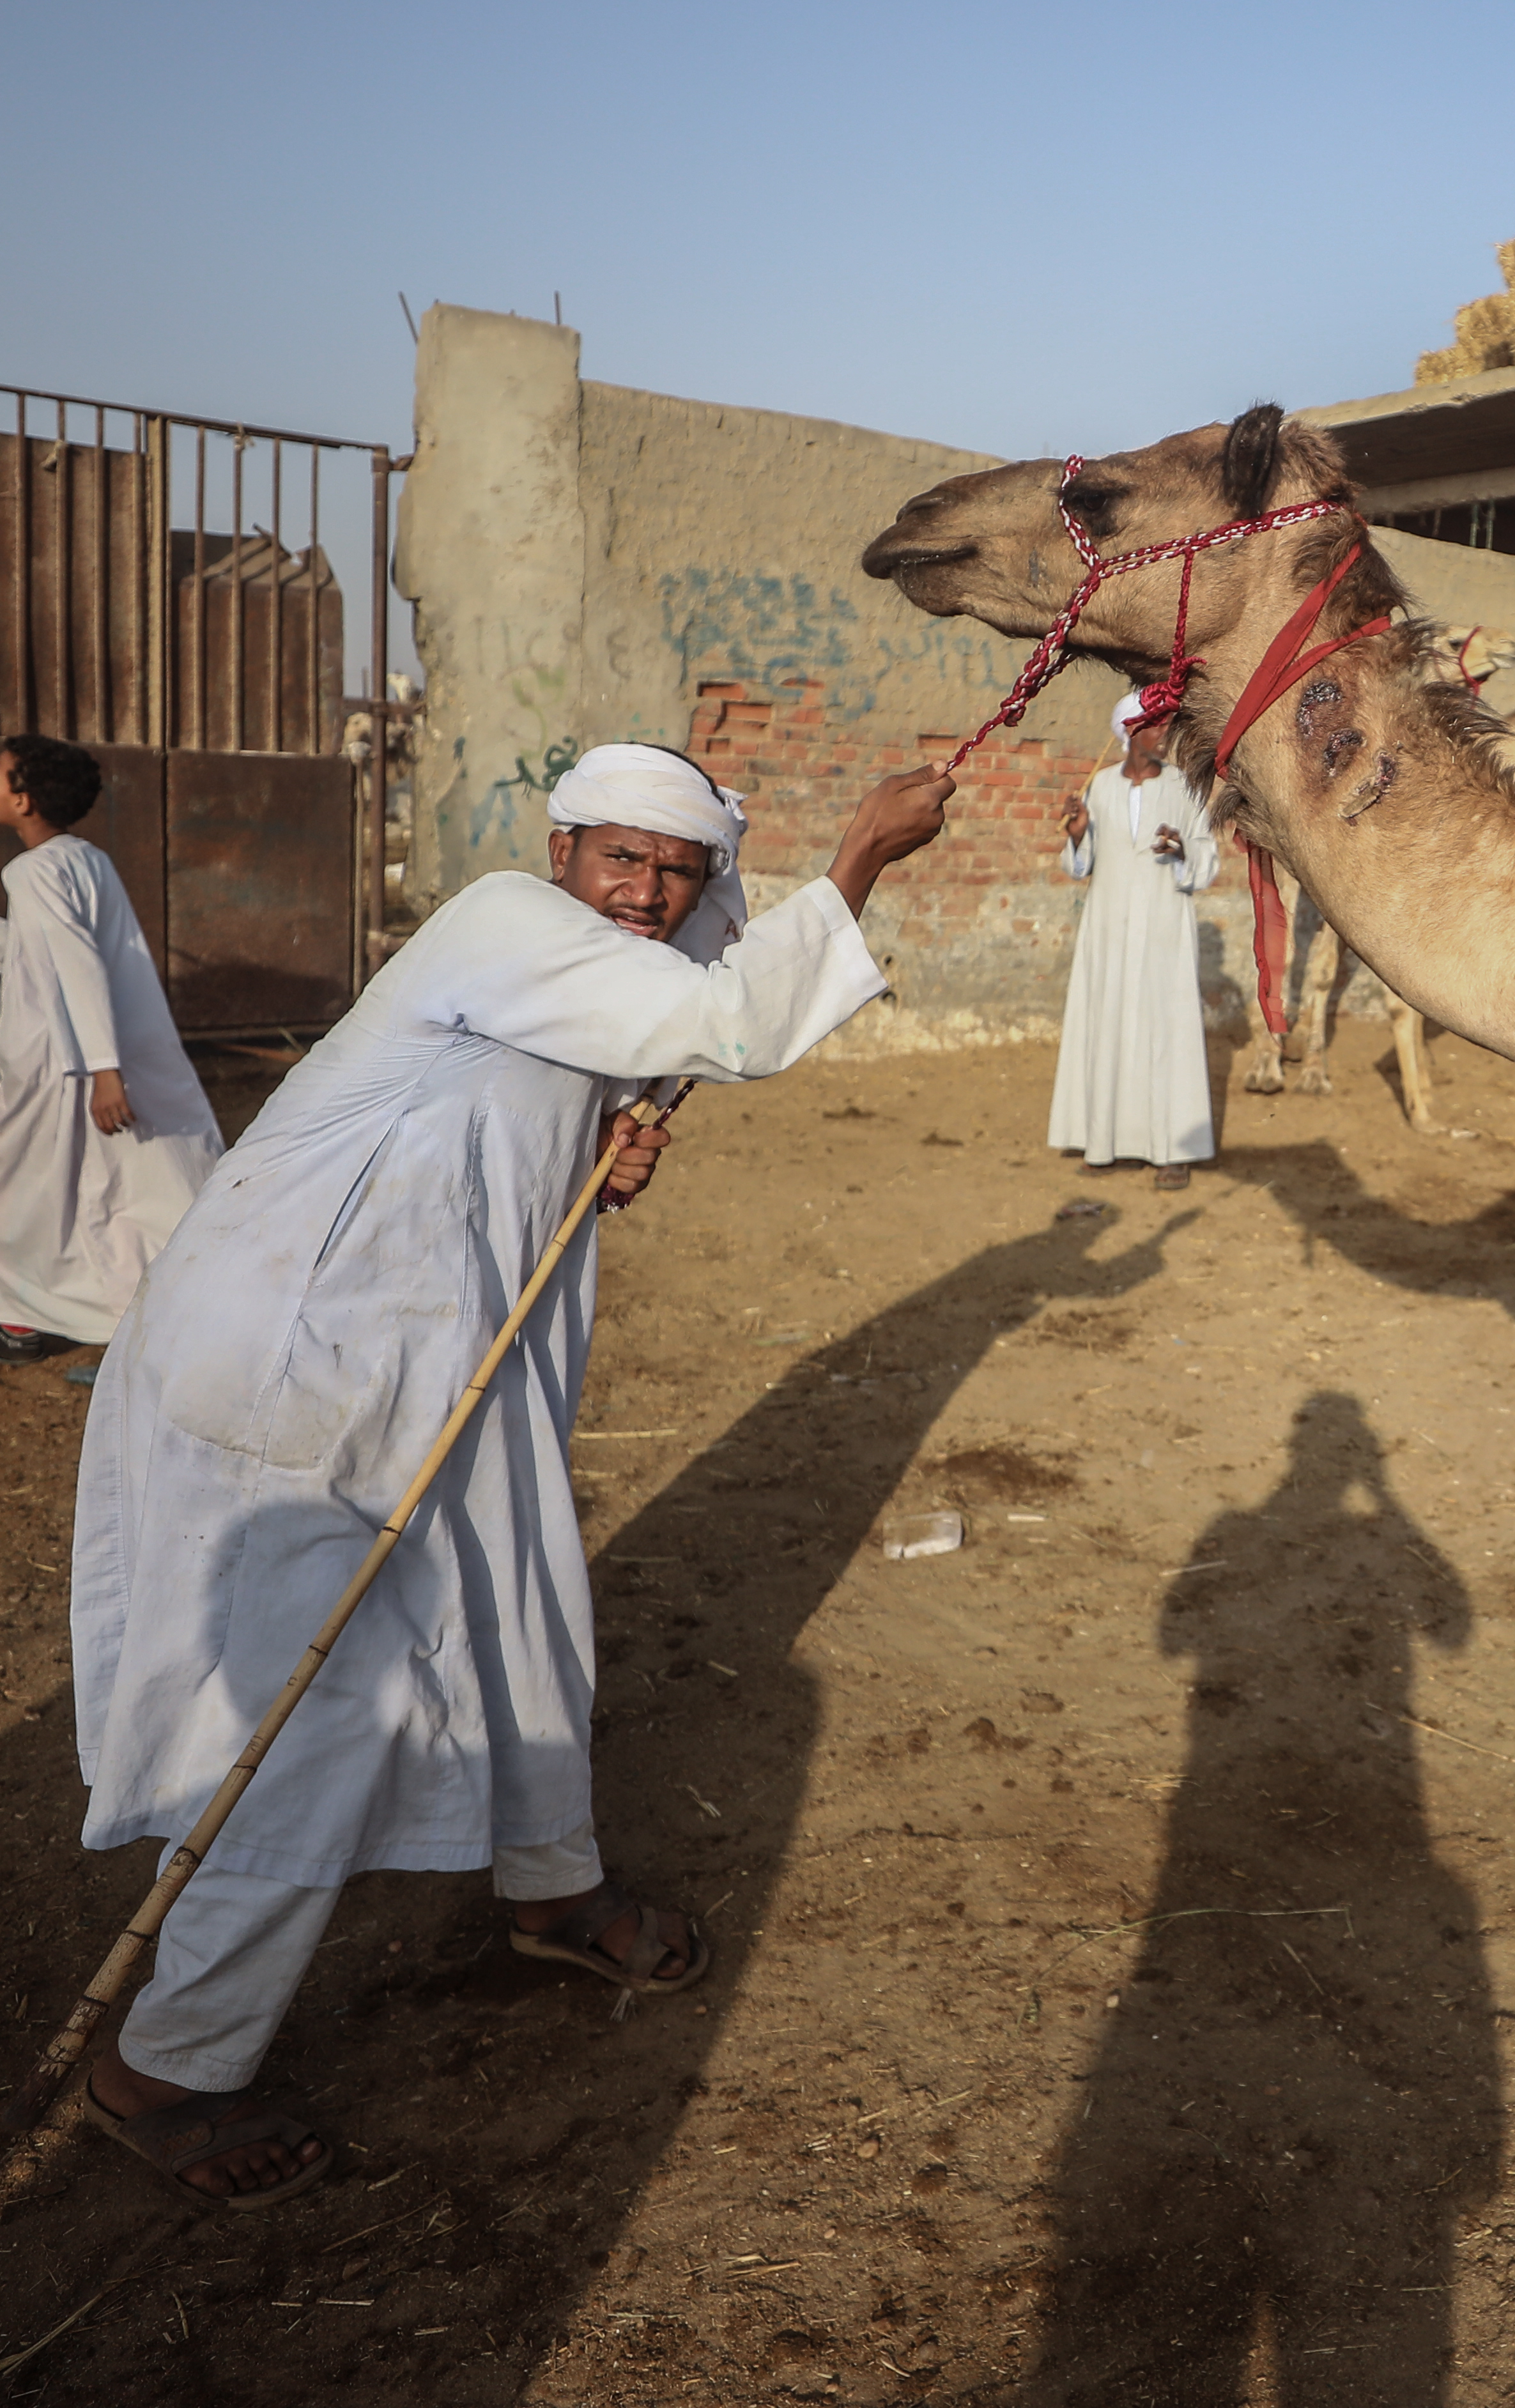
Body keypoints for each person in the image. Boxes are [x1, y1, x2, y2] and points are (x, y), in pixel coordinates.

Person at [65, 740, 954, 2205]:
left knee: (526, 1608)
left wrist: (589, 1156)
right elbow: (730, 1018)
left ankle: (553, 1885)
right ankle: (162, 2059)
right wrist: (857, 850)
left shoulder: (612, 966)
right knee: (324, 1716)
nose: (649, 893)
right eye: (624, 860)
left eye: (678, 872)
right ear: (563, 851)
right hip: (295, 1355)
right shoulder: (508, 920)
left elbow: (659, 1018)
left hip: (445, 1353)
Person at [0, 735, 218, 1371]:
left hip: (64, 1067)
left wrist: (104, 1072)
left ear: (25, 799)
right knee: (128, 1195)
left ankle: (22, 1326)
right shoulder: (86, 860)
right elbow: (36, 951)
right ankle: (149, 1333)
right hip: (96, 1059)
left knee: (2, 1187)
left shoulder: (32, 872)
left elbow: (77, 964)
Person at [1049, 692, 1221, 1189]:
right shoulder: (1099, 787)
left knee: (1166, 1032)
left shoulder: (1186, 787)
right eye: (1155, 726)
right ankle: (1106, 1143)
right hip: (1108, 928)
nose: (1165, 733)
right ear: (1129, 732)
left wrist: (1184, 849)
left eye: (1168, 724)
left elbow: (1207, 860)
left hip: (1165, 926)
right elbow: (1078, 865)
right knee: (1109, 1025)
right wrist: (1079, 834)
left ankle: (1172, 1151)